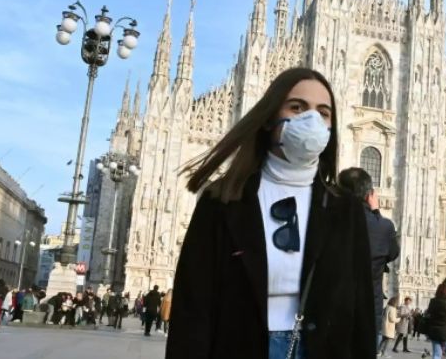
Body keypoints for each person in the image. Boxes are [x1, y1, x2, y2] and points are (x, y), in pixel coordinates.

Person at [166, 68, 375, 359]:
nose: (311, 119)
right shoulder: (223, 199)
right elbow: (193, 306)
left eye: (323, 112)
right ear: (268, 117)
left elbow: (361, 310)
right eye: (297, 107)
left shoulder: (345, 209)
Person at [337, 166, 400, 347]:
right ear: (369, 195)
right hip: (368, 310)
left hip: (333, 309)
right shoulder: (384, 227)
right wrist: (376, 213)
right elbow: (392, 253)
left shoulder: (327, 219)